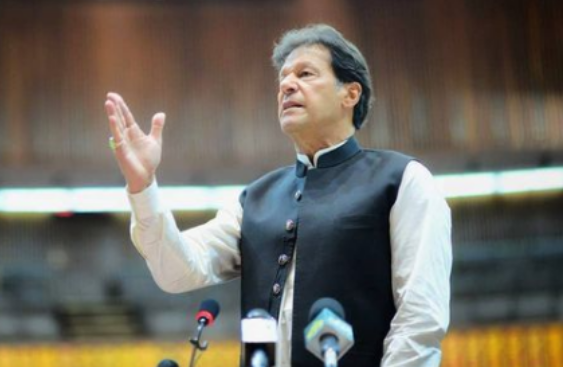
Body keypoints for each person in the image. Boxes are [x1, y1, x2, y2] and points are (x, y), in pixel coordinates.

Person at [104, 24, 452, 367]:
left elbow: (419, 319)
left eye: (305, 73)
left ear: (350, 94)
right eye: (283, 79)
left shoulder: (403, 181)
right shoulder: (254, 199)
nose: (286, 85)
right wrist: (143, 185)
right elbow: (175, 271)